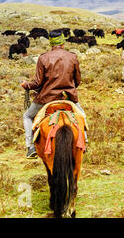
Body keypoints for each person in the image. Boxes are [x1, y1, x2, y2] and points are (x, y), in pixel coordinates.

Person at [21, 29, 86, 159]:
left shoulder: (43, 58)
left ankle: (31, 147)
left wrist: (26, 85)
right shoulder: (73, 57)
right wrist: (70, 90)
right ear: (63, 42)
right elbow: (77, 80)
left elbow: (38, 82)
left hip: (46, 98)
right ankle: (84, 141)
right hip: (68, 97)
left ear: (51, 43)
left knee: (27, 116)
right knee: (82, 116)